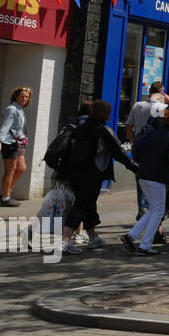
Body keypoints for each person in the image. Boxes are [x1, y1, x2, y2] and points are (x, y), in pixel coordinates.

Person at [60, 100, 140, 255]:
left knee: (88, 205)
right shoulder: (104, 131)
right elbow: (119, 153)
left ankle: (93, 238)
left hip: (74, 173)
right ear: (105, 113)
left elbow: (66, 154)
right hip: (92, 174)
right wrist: (135, 167)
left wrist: (62, 174)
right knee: (82, 205)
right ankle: (64, 241)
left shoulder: (79, 129)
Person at [123, 108, 169, 256]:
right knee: (158, 211)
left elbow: (138, 152)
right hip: (158, 176)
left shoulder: (153, 133)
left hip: (143, 174)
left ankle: (130, 236)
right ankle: (145, 246)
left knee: (153, 209)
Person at [0, 86, 33, 207]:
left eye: (27, 97)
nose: (24, 99)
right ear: (16, 96)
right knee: (10, 170)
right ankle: (5, 198)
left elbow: (20, 129)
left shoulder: (20, 109)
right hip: (9, 143)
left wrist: (23, 144)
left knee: (21, 168)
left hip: (18, 143)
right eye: (22, 96)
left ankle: (7, 192)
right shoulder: (12, 109)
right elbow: (5, 126)